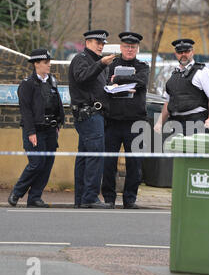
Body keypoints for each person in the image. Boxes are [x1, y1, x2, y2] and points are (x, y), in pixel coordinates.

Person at [8, 49, 64, 208]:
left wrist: (59, 123)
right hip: (35, 130)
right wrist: (31, 132)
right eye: (46, 63)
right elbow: (25, 111)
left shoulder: (52, 80)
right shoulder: (27, 84)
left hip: (50, 130)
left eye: (49, 62)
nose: (49, 65)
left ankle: (35, 197)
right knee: (36, 163)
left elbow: (57, 103)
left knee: (46, 165)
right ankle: (17, 193)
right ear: (36, 64)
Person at [101, 32, 149, 209]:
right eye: (127, 47)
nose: (130, 50)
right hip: (112, 122)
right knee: (108, 163)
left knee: (134, 164)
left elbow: (142, 81)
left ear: (137, 49)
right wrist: (123, 84)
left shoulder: (142, 66)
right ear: (121, 47)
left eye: (133, 47)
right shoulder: (111, 65)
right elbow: (105, 83)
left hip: (135, 122)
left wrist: (119, 80)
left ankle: (130, 199)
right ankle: (108, 198)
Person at [69, 30, 117, 209]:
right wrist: (101, 64)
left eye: (103, 43)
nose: (101, 45)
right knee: (96, 156)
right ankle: (90, 197)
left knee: (84, 157)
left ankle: (81, 198)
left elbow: (96, 87)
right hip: (88, 114)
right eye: (98, 42)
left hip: (95, 115)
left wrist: (113, 87)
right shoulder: (81, 59)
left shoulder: (96, 62)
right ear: (87, 42)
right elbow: (82, 77)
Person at [154, 38, 209, 135]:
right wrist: (159, 123)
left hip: (196, 122)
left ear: (192, 52)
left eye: (186, 51)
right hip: (175, 123)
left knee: (193, 150)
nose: (183, 54)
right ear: (176, 54)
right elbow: (168, 102)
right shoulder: (174, 75)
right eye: (180, 52)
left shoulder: (202, 71)